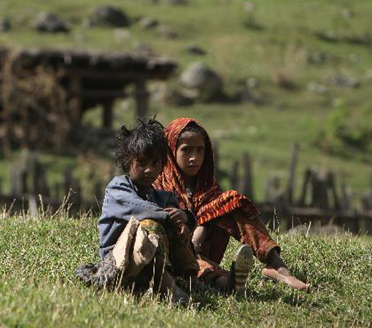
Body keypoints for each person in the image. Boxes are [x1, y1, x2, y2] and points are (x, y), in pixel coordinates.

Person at [154, 117, 309, 292]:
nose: (194, 158)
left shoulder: (206, 184)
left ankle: (277, 267)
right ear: (171, 150)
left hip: (204, 248)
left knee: (232, 202)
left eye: (199, 150)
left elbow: (214, 210)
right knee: (197, 268)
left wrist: (203, 224)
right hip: (177, 255)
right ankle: (228, 283)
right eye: (186, 150)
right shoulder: (159, 186)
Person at [74, 118, 201, 304]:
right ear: (127, 161)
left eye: (156, 163)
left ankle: (193, 281)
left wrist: (183, 219)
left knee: (176, 228)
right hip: (122, 263)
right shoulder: (118, 188)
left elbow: (180, 217)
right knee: (149, 224)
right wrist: (168, 217)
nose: (149, 169)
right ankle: (166, 287)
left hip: (154, 263)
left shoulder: (162, 197)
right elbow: (138, 208)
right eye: (141, 162)